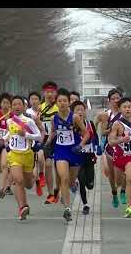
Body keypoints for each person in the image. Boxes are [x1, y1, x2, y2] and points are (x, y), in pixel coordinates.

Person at [46, 88, 89, 222]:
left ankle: (70, 188)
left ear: (68, 103)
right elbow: (53, 133)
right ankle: (67, 208)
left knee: (70, 181)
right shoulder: (54, 118)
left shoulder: (75, 117)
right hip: (60, 151)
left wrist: (80, 145)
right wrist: (46, 144)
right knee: (63, 178)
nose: (62, 103)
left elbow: (86, 133)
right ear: (56, 103)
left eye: (65, 101)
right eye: (60, 101)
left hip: (74, 150)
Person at [2, 96, 42, 220]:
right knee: (18, 180)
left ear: (24, 107)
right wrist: (3, 139)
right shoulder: (9, 121)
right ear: (11, 107)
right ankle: (22, 207)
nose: (17, 107)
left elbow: (39, 136)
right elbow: (10, 134)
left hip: (27, 155)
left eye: (19, 104)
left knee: (28, 184)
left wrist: (26, 134)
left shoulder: (28, 121)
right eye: (14, 104)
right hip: (14, 155)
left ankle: (34, 180)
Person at [108, 97, 131, 218]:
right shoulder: (117, 124)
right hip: (119, 157)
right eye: (124, 107)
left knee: (130, 178)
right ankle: (123, 194)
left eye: (129, 107)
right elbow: (111, 141)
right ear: (120, 109)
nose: (127, 109)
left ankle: (129, 206)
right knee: (119, 182)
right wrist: (122, 139)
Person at [95, 89, 124, 208]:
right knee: (111, 173)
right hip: (110, 146)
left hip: (124, 145)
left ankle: (123, 191)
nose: (116, 101)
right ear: (109, 100)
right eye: (113, 99)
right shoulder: (106, 114)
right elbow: (98, 128)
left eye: (118, 98)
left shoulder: (126, 112)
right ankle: (114, 193)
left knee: (124, 171)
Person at [72, 100, 99, 215]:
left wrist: (98, 147)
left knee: (90, 184)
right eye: (77, 110)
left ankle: (79, 183)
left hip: (89, 155)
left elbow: (95, 137)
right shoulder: (71, 126)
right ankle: (85, 204)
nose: (80, 112)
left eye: (82, 110)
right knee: (82, 181)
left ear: (85, 111)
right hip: (77, 156)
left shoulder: (90, 123)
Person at [39, 81, 60, 205]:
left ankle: (58, 190)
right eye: (47, 92)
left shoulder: (59, 106)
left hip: (57, 139)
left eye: (52, 92)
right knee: (47, 165)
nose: (50, 94)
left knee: (59, 167)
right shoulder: (40, 108)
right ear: (44, 93)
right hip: (45, 140)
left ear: (56, 93)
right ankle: (51, 193)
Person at [26, 91, 46, 196]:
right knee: (33, 168)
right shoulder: (27, 113)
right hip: (30, 140)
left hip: (41, 139)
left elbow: (43, 129)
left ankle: (42, 174)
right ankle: (37, 181)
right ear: (29, 101)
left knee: (41, 157)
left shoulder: (44, 110)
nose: (34, 101)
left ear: (39, 101)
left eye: (36, 99)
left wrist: (41, 140)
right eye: (32, 99)